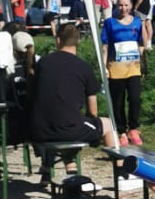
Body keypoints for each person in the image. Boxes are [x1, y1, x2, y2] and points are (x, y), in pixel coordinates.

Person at [29, 22, 113, 190]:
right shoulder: (83, 67)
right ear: (78, 42)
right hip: (67, 129)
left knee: (62, 118)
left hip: (39, 130)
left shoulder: (43, 63)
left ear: (58, 40)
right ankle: (121, 172)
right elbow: (93, 110)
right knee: (107, 125)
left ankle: (51, 169)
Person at [100, 0, 146, 147]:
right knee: (118, 101)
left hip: (133, 68)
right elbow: (105, 47)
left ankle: (133, 128)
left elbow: (141, 45)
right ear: (116, 6)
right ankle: (121, 131)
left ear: (131, 6)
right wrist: (104, 67)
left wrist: (143, 62)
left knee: (135, 98)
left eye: (126, 5)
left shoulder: (137, 23)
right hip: (116, 69)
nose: (123, 8)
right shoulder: (110, 23)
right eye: (120, 5)